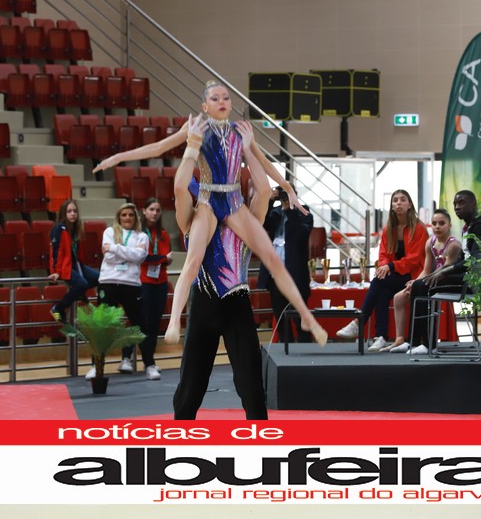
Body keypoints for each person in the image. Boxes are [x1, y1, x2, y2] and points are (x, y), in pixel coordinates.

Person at [93, 80, 328, 349]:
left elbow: (264, 163)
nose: (222, 102)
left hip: (233, 200)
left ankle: (307, 317)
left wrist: (287, 187)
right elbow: (158, 148)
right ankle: (174, 320)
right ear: (205, 106)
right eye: (215, 98)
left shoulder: (240, 131)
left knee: (272, 257)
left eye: (226, 97)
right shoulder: (197, 127)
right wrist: (118, 157)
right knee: (194, 259)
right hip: (207, 199)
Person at [173, 119, 272, 419]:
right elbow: (179, 187)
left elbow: (264, 190)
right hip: (203, 305)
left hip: (237, 306)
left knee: (251, 386)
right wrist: (192, 146)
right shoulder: (192, 220)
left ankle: (260, 437)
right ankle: (179, 435)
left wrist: (248, 148)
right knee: (190, 388)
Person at [335, 189, 428, 351]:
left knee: (379, 282)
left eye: (403, 199)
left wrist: (389, 266)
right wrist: (384, 267)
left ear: (410, 205)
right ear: (391, 206)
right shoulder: (388, 229)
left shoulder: (419, 228)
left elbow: (414, 259)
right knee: (382, 290)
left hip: (415, 276)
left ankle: (360, 322)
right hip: (395, 276)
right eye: (395, 200)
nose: (398, 203)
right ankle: (381, 337)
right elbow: (383, 254)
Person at [84, 202, 156, 380]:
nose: (127, 218)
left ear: (135, 217)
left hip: (131, 284)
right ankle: (96, 367)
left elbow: (139, 257)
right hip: (108, 283)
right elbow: (108, 257)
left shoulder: (142, 236)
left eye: (130, 215)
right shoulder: (109, 232)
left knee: (140, 326)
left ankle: (150, 365)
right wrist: (128, 252)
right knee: (101, 327)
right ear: (119, 217)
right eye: (124, 215)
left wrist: (115, 248)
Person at [386, 208, 462, 354]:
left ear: (449, 225)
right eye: (434, 223)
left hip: (448, 280)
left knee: (419, 287)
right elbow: (426, 270)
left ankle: (427, 342)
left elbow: (445, 271)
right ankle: (409, 340)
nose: (437, 227)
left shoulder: (453, 245)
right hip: (433, 278)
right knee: (399, 297)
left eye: (442, 223)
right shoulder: (430, 242)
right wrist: (415, 281)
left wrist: (419, 283)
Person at [120, 197, 173, 381]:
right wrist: (162, 259)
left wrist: (160, 259)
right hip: (142, 281)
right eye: (151, 209)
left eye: (157, 210)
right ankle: (126, 357)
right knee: (136, 320)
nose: (154, 213)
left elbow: (163, 257)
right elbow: (144, 258)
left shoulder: (163, 234)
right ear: (144, 211)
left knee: (154, 323)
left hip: (160, 282)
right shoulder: (137, 234)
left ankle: (149, 360)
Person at [258, 185, 313, 342]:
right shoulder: (275, 213)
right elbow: (263, 223)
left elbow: (302, 234)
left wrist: (291, 209)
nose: (285, 198)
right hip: (275, 275)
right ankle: (285, 351)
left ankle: (305, 352)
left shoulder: (304, 213)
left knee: (300, 319)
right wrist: (270, 201)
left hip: (295, 276)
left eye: (288, 194)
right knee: (281, 319)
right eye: (283, 194)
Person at [48, 199, 99, 323]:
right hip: (64, 266)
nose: (73, 214)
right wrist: (56, 271)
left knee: (100, 278)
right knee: (82, 284)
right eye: (69, 211)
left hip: (77, 265)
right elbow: (56, 252)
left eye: (75, 211)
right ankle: (58, 308)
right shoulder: (59, 228)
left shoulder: (76, 229)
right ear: (63, 213)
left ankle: (80, 293)